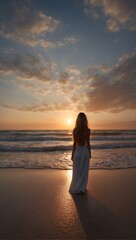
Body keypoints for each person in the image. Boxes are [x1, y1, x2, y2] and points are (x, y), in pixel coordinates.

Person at [69, 112, 91, 194]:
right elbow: (88, 143)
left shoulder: (75, 130)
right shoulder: (88, 130)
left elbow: (74, 143)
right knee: (84, 171)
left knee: (76, 171)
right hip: (85, 152)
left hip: (77, 152)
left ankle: (75, 187)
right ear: (85, 120)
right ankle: (82, 188)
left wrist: (72, 154)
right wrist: (89, 153)